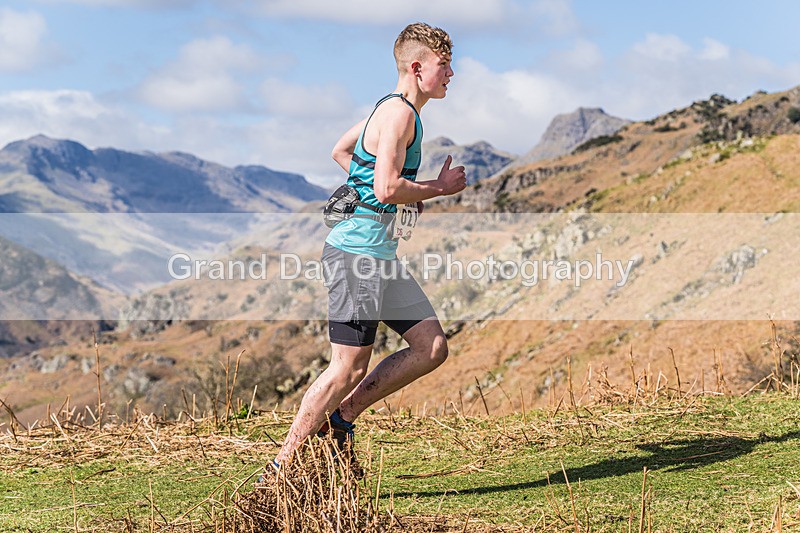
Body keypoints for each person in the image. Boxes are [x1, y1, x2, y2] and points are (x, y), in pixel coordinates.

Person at [273, 22, 467, 470]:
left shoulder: (390, 111)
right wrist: (435, 188)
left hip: (379, 256)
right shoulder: (399, 114)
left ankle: (341, 419)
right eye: (445, 65)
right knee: (348, 367)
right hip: (355, 255)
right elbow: (384, 187)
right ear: (418, 67)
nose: (451, 73)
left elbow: (343, 151)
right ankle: (282, 468)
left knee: (432, 347)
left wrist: (401, 198)